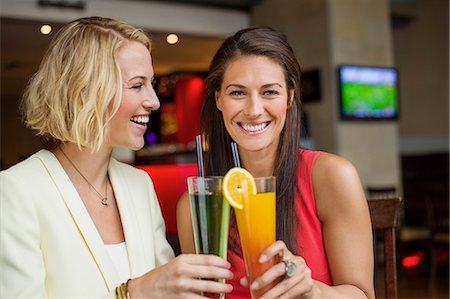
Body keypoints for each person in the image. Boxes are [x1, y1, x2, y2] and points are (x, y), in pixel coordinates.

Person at [0, 16, 233, 298]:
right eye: (137, 85)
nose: (154, 101)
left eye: (151, 83)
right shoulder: (16, 191)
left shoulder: (139, 185)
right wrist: (130, 293)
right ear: (85, 91)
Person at [176, 27, 375, 299]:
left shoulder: (331, 176)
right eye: (237, 93)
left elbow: (363, 295)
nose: (254, 110)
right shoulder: (196, 206)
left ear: (290, 97)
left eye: (269, 92)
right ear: (219, 99)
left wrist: (312, 291)